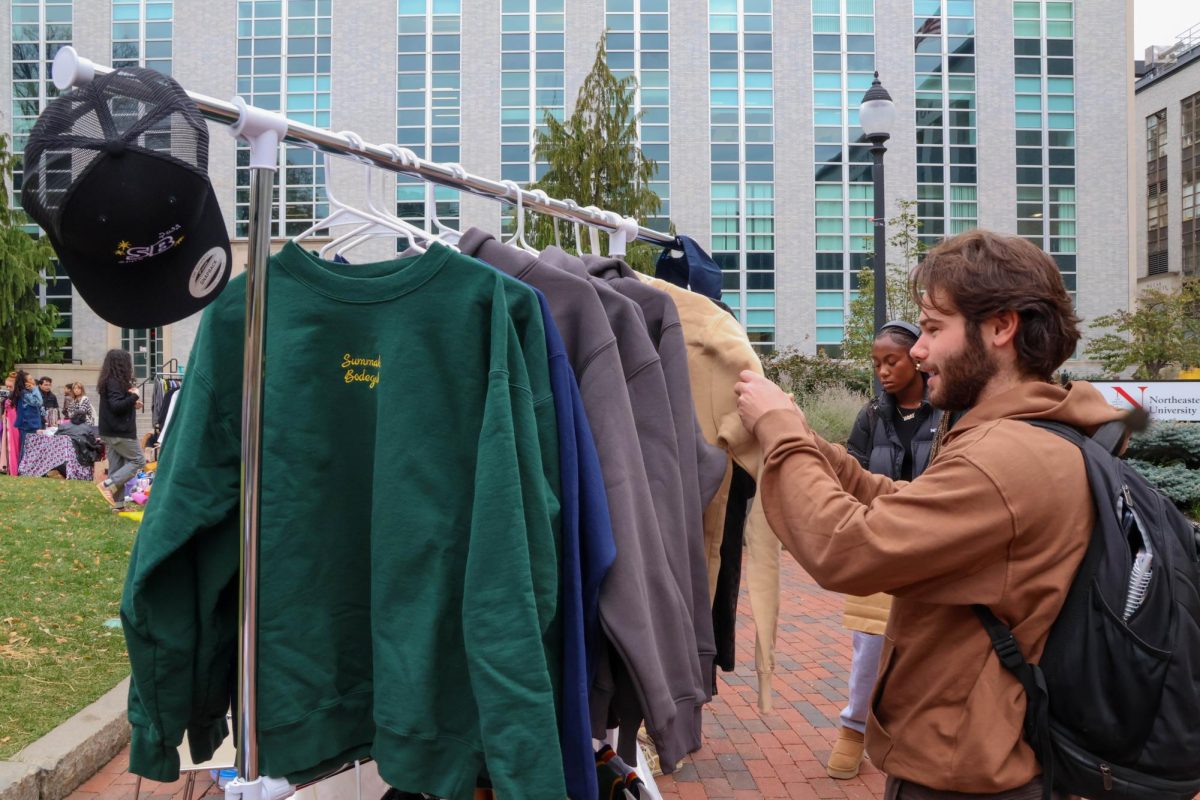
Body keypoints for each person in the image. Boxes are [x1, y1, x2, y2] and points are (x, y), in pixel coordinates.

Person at [734, 230, 1124, 799]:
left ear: (1000, 328)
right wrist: (806, 438)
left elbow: (847, 549)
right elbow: (902, 505)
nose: (918, 350)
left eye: (935, 329)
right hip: (992, 753)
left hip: (968, 769)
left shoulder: (1004, 458)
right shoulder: (1036, 433)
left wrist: (778, 433)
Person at [827, 320, 943, 780]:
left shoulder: (948, 413)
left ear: (916, 357)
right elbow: (852, 474)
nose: (883, 372)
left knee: (932, 644)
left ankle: (916, 739)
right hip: (883, 541)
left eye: (890, 361)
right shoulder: (872, 416)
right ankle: (854, 728)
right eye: (876, 364)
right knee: (870, 643)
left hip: (934, 546)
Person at [96, 349, 145, 510]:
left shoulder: (109, 381)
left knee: (117, 467)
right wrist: (135, 396)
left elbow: (115, 404)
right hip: (120, 432)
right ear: (122, 364)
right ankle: (107, 484)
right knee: (138, 460)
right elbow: (117, 406)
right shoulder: (114, 382)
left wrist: (132, 402)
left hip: (110, 431)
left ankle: (118, 505)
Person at [13, 370, 44, 472]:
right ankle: (21, 470)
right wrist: (35, 389)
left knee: (31, 449)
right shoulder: (24, 393)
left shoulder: (28, 392)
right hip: (27, 425)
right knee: (25, 448)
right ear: (25, 382)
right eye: (30, 379)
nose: (33, 380)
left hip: (31, 424)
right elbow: (38, 402)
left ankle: (29, 470)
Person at [2, 372, 18, 474]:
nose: (8, 388)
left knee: (14, 444)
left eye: (10, 386)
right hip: (7, 421)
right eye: (6, 386)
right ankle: (8, 466)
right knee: (8, 444)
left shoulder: (17, 396)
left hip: (14, 422)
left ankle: (14, 468)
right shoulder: (8, 396)